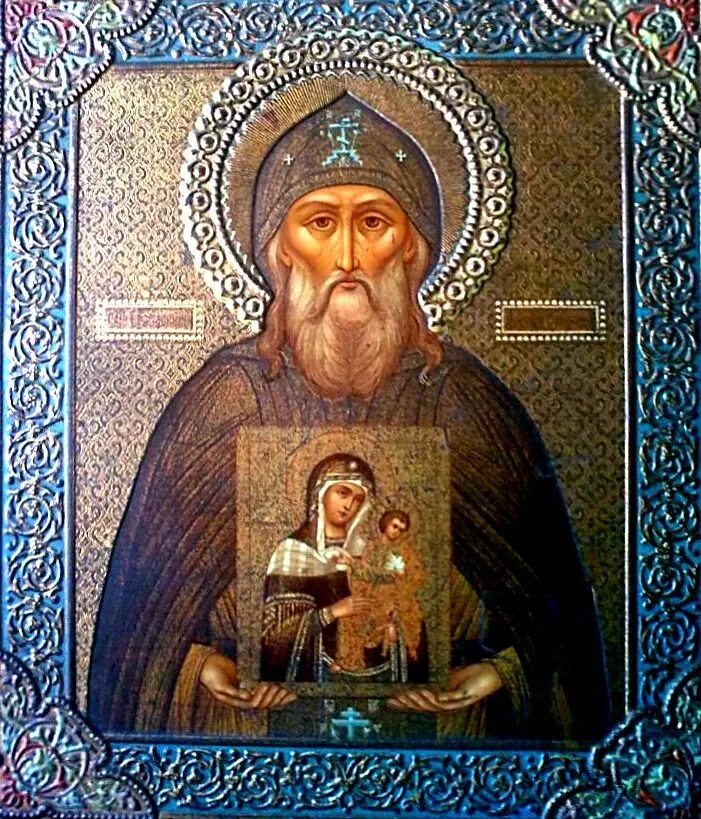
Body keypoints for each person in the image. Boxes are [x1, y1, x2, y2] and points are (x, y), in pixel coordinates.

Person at [88, 93, 611, 740]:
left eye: (372, 223)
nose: (346, 259)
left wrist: (498, 673)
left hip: (447, 751)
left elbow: (552, 622)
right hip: (251, 750)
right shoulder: (225, 399)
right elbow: (142, 634)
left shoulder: (461, 400)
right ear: (280, 251)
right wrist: (201, 665)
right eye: (319, 223)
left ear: (412, 250)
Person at [260, 453, 376, 683]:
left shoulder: (369, 553)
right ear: (321, 493)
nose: (349, 505)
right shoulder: (293, 552)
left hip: (369, 669)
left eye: (358, 499)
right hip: (316, 673)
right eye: (343, 493)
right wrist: (332, 612)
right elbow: (275, 638)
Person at [334, 509, 428, 682]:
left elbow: (392, 576)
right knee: (347, 616)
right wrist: (352, 566)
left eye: (401, 529)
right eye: (394, 526)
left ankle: (353, 662)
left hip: (392, 599)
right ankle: (351, 662)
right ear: (385, 524)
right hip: (372, 594)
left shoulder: (401, 551)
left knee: (363, 615)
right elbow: (367, 574)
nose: (397, 531)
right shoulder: (372, 547)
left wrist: (353, 564)